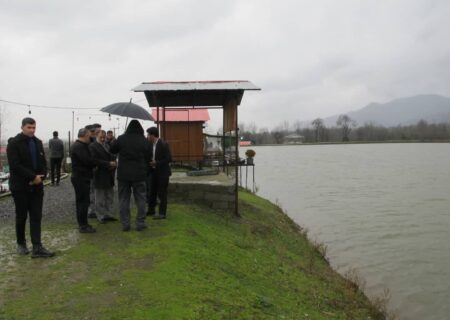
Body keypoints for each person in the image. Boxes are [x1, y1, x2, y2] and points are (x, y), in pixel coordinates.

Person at [6, 117, 55, 258]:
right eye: (29, 127)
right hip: (20, 187)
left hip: (37, 187)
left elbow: (43, 162)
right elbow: (15, 165)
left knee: (36, 216)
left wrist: (43, 175)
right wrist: (32, 177)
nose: (32, 130)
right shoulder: (14, 143)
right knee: (21, 216)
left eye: (34, 127)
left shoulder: (38, 142)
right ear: (22, 127)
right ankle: (21, 243)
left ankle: (37, 247)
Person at [110, 120, 151, 231]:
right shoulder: (144, 140)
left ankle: (125, 224)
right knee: (141, 199)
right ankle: (140, 223)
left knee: (123, 199)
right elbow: (149, 157)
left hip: (123, 174)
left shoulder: (122, 138)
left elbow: (112, 150)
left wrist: (116, 141)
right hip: (139, 174)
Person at [70, 128, 96, 233]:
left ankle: (84, 223)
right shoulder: (79, 147)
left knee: (83, 202)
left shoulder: (80, 146)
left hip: (81, 176)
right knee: (82, 202)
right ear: (85, 135)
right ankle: (83, 225)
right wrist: (95, 163)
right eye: (89, 136)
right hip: (80, 177)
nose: (91, 138)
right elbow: (87, 161)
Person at [89, 130, 117, 223]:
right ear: (96, 136)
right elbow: (94, 160)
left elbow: (112, 156)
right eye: (101, 137)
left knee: (109, 196)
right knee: (100, 197)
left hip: (109, 174)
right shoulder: (93, 146)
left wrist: (114, 163)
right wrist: (108, 163)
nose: (102, 139)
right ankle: (100, 215)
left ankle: (108, 214)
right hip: (99, 174)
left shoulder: (107, 146)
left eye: (104, 137)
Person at [146, 127, 172, 220]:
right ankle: (151, 210)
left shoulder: (163, 144)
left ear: (153, 135)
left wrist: (156, 163)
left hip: (163, 173)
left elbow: (169, 159)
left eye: (148, 134)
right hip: (153, 172)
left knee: (162, 193)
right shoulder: (149, 144)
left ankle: (162, 213)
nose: (147, 136)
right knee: (151, 192)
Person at [85, 123, 101, 219]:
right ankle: (91, 209)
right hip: (89, 169)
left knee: (93, 189)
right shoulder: (88, 143)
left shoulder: (94, 141)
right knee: (91, 190)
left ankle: (93, 209)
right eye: (96, 132)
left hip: (94, 169)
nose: (98, 133)